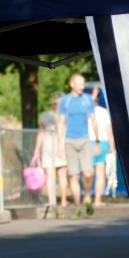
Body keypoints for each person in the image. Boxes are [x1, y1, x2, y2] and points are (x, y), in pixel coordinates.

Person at [57, 73, 99, 215]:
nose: (83, 86)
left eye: (83, 83)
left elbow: (93, 120)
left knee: (88, 173)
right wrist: (59, 144)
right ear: (72, 84)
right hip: (69, 141)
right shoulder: (65, 101)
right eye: (80, 84)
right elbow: (61, 122)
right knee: (73, 175)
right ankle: (77, 206)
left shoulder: (88, 100)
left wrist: (97, 141)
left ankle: (87, 194)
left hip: (85, 140)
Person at [31, 93, 68, 213]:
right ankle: (63, 200)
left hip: (49, 146)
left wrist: (37, 150)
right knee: (61, 173)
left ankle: (53, 201)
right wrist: (37, 150)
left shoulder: (45, 116)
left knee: (52, 175)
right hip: (60, 145)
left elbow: (41, 133)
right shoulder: (66, 116)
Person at [88, 86, 115, 207]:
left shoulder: (84, 111)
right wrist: (112, 147)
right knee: (100, 172)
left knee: (88, 172)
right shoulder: (104, 112)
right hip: (103, 142)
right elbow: (109, 131)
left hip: (87, 142)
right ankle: (97, 200)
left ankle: (88, 197)